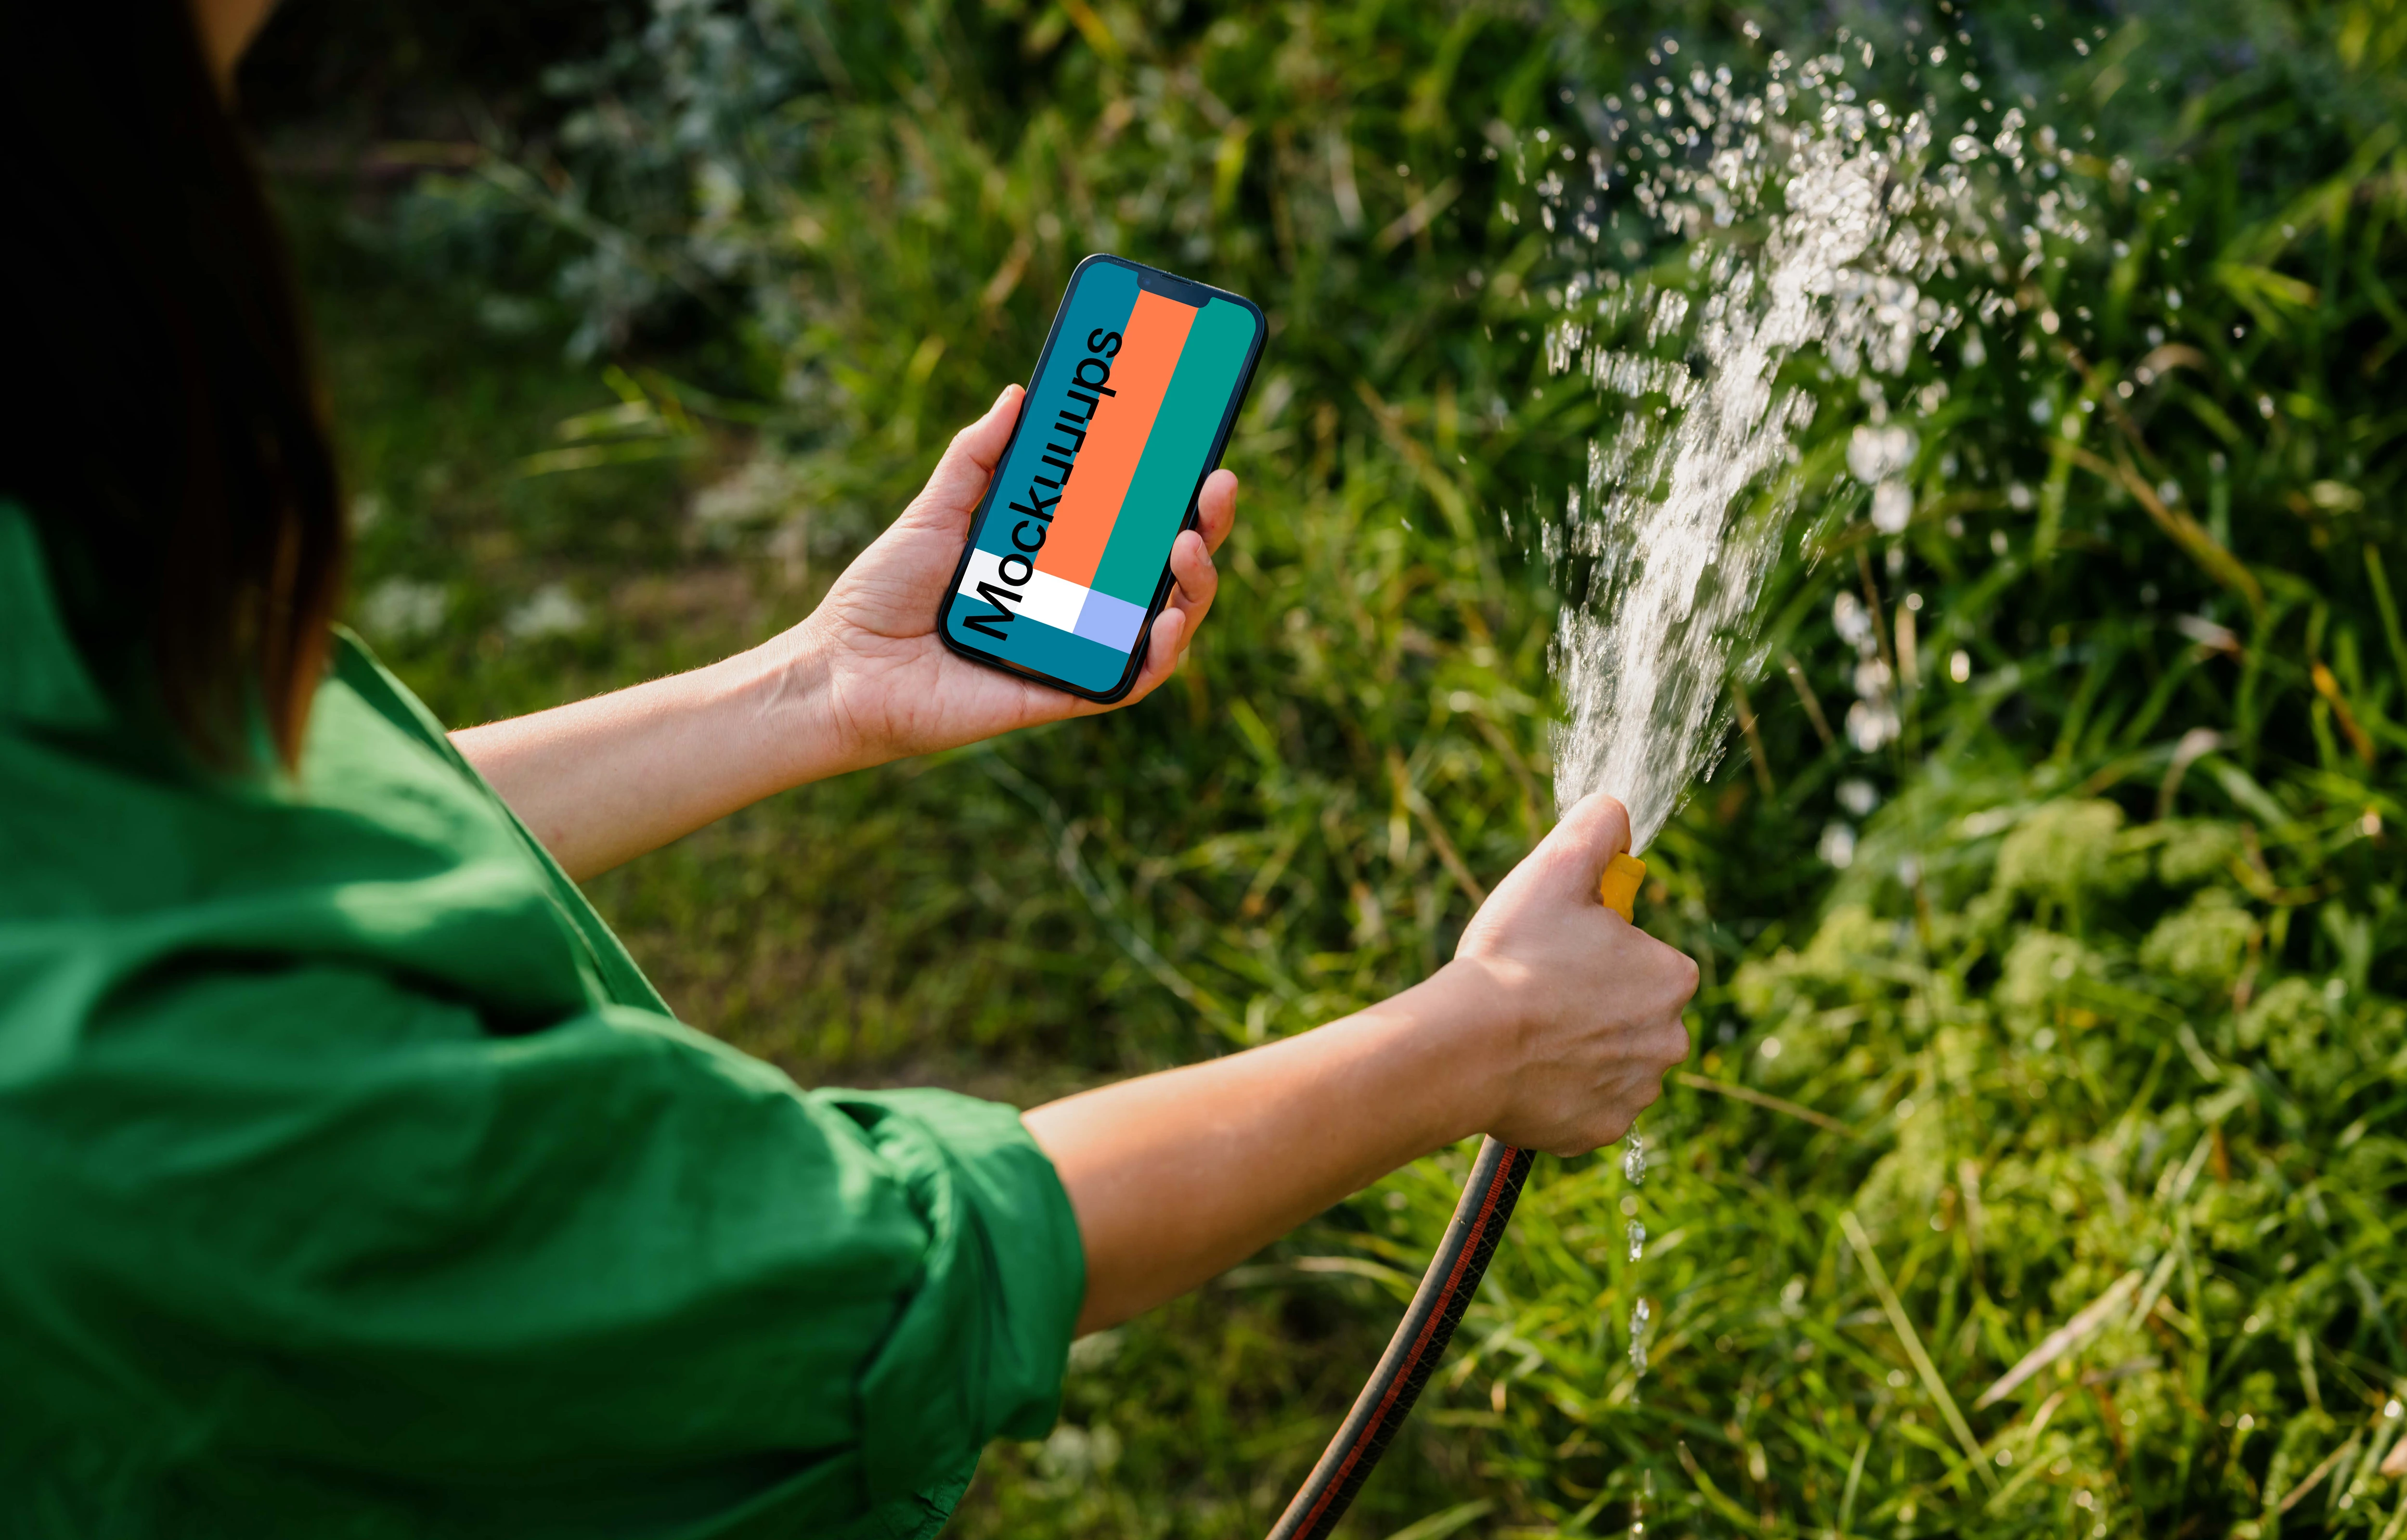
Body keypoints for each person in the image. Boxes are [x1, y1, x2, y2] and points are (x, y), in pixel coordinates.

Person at [0, 0, 1699, 1535]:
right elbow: (898, 1282)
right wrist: (1477, 1040)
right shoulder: (167, 1107)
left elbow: (293, 833)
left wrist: (816, 689)